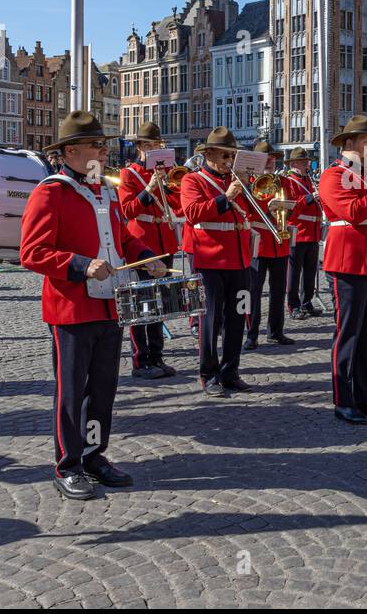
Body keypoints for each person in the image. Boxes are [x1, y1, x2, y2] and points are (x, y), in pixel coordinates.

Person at [20, 111, 166, 500]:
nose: (104, 150)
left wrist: (148, 255)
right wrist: (82, 266)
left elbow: (123, 240)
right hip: (72, 307)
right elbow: (32, 253)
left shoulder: (106, 190)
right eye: (97, 145)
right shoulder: (50, 192)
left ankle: (95, 455)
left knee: (103, 389)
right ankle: (67, 465)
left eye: (104, 144)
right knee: (72, 391)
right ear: (71, 150)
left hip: (110, 305)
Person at [319, 115, 367, 424]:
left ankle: (365, 396)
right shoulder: (333, 175)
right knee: (348, 334)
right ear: (348, 144)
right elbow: (351, 212)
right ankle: (344, 399)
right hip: (348, 262)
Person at [179, 127, 254, 397]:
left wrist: (246, 188)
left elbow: (254, 212)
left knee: (237, 317)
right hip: (210, 259)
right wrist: (228, 197)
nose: (228, 160)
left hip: (239, 259)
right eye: (224, 154)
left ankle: (231, 370)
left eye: (231, 155)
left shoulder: (236, 180)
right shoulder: (193, 181)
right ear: (208, 153)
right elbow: (192, 213)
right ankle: (208, 374)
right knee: (210, 320)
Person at [116, 121, 182, 378]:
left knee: (161, 303)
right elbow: (128, 210)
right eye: (150, 145)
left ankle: (157, 356)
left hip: (164, 242)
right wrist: (150, 188)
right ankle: (140, 360)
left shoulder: (166, 173)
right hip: (142, 244)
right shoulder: (129, 174)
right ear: (140, 148)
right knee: (142, 303)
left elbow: (177, 206)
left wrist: (165, 185)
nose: (154, 148)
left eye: (158, 145)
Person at [244, 140, 295, 351]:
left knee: (278, 290)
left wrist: (287, 211)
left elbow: (295, 207)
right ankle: (251, 334)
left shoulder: (284, 182)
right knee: (253, 291)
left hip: (279, 241)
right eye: (266, 158)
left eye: (273, 158)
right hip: (259, 241)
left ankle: (275, 331)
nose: (271, 161)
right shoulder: (248, 183)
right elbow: (243, 211)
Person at [283, 148, 323, 319]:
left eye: (307, 161)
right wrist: (309, 198)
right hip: (298, 232)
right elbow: (289, 206)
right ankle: (293, 305)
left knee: (310, 272)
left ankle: (307, 302)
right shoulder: (288, 181)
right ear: (293, 164)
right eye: (303, 162)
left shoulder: (309, 180)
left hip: (313, 233)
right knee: (293, 273)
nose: (307, 164)